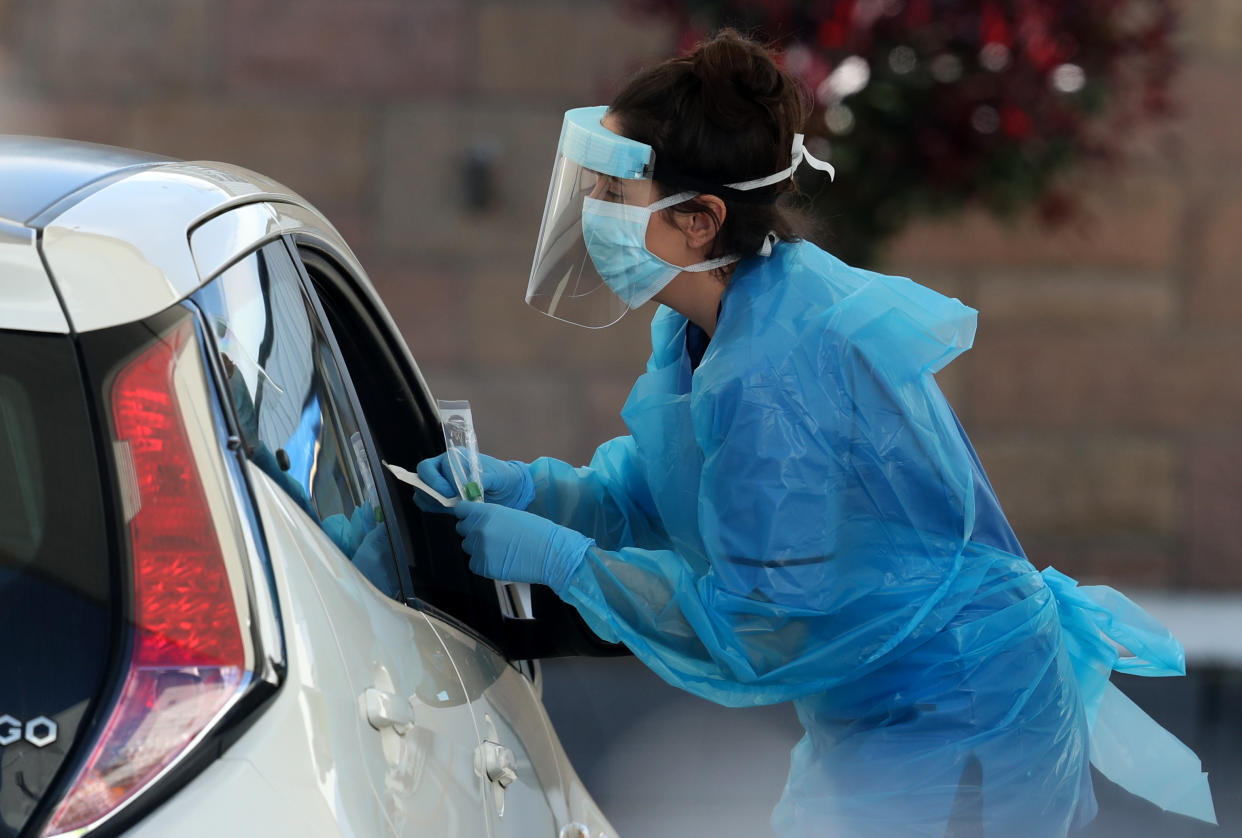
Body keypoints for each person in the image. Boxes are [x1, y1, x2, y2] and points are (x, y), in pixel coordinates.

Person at [416, 30, 1215, 837]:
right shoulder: (724, 321)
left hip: (958, 712)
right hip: (895, 704)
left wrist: (565, 560)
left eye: (611, 193)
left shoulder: (772, 370)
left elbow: (761, 624)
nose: (590, 215)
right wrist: (531, 490)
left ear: (698, 221)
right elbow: (657, 490)